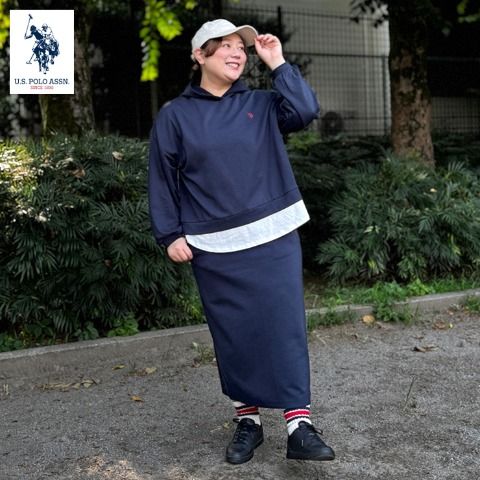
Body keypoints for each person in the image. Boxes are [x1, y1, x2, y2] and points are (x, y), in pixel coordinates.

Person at [148, 19, 335, 465]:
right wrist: (169, 234)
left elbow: (306, 110)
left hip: (274, 234)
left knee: (284, 326)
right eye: (226, 46)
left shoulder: (262, 103)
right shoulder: (175, 115)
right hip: (212, 245)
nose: (237, 53)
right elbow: (162, 177)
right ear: (200, 55)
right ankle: (248, 422)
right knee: (233, 333)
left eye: (242, 47)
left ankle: (299, 426)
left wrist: (277, 62)